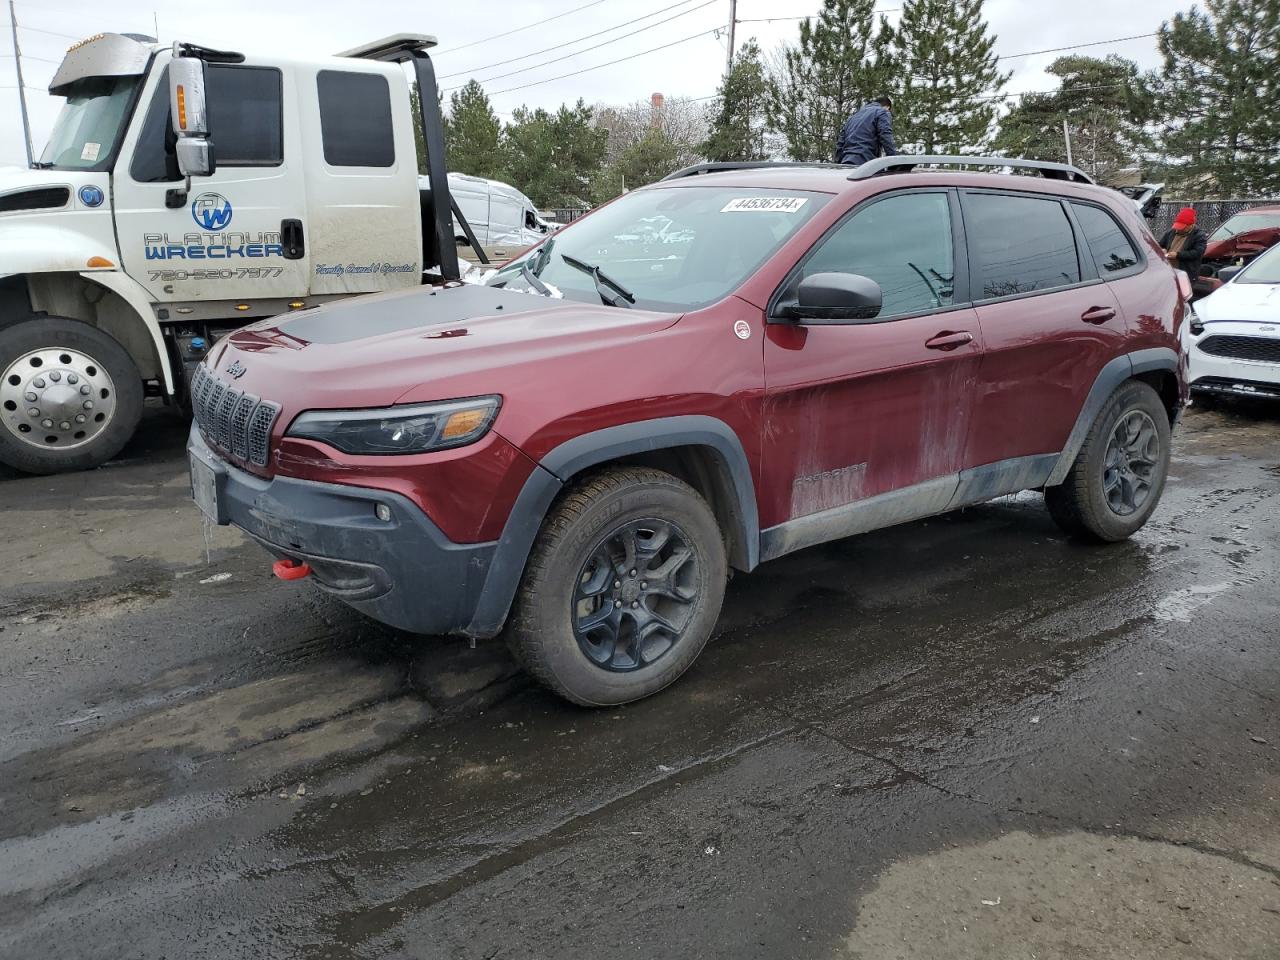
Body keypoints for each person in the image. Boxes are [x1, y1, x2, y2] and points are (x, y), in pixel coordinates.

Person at [835, 96, 897, 166]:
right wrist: (894, 162)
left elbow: (840, 144)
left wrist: (837, 165)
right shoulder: (882, 112)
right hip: (865, 163)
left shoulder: (852, 117)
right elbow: (885, 136)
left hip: (846, 162)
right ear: (887, 107)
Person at [1160, 207, 1208, 279]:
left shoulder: (1199, 235)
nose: (1178, 229)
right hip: (1168, 271)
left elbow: (1197, 253)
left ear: (1191, 225)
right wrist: (1162, 249)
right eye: (1177, 226)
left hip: (1186, 273)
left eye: (1182, 227)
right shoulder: (1170, 232)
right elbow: (1160, 244)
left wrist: (1178, 255)